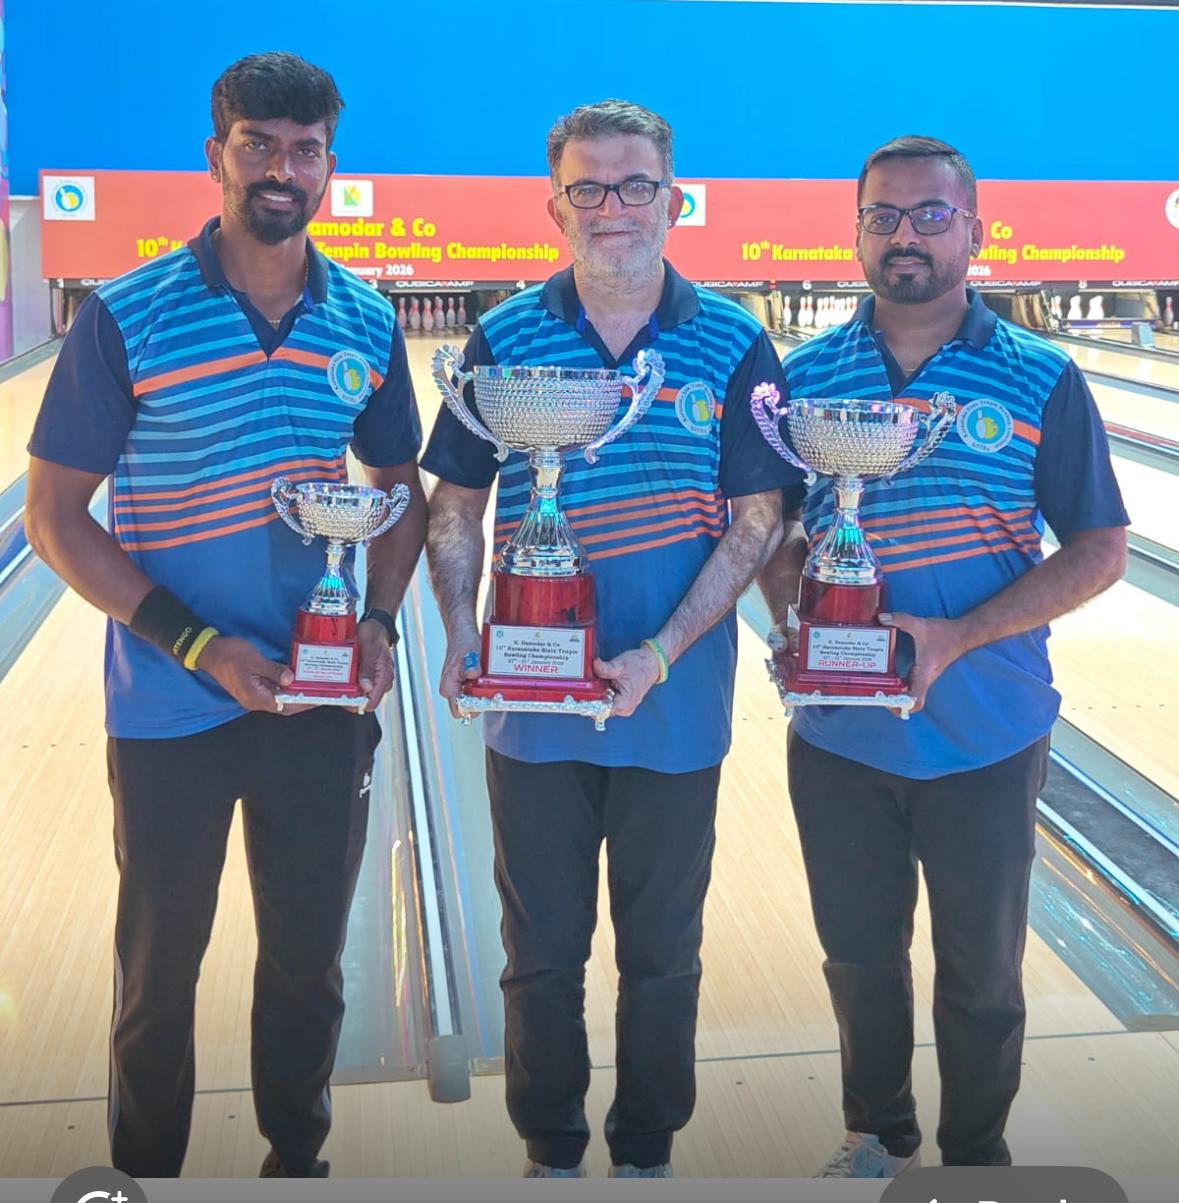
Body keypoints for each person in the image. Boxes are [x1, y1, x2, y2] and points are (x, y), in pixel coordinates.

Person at [25, 52, 425, 1178]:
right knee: (159, 970)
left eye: (304, 150)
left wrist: (381, 625)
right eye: (258, 145)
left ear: (330, 168)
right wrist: (197, 645)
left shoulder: (365, 318)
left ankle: (296, 1166)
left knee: (308, 961)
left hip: (319, 696)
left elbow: (396, 494)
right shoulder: (129, 313)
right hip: (168, 704)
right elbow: (54, 517)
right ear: (217, 156)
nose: (281, 169)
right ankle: (142, 1173)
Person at [422, 99, 804, 1178]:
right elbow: (452, 503)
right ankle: (550, 1150)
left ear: (673, 200)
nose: (613, 206)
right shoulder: (502, 336)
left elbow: (758, 521)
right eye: (587, 187)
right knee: (539, 953)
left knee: (662, 953)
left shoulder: (735, 340)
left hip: (672, 708)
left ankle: (645, 1153)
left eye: (635, 185)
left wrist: (661, 654)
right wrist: (460, 627)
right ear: (555, 209)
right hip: (530, 714)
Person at [757, 135, 1128, 1176]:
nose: (904, 234)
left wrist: (958, 637)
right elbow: (770, 534)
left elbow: (1101, 547)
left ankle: (977, 1157)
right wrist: (801, 626)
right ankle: (875, 1139)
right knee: (860, 960)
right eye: (884, 215)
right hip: (840, 731)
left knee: (982, 972)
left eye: (929, 215)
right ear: (858, 231)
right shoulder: (804, 376)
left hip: (988, 727)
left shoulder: (1040, 377)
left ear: (975, 229)